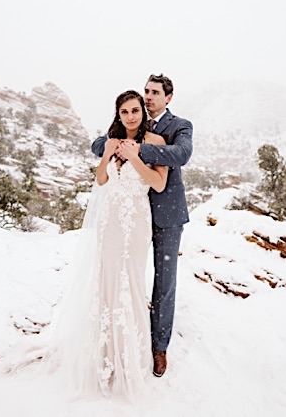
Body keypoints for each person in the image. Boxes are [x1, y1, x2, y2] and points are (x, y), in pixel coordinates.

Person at [30, 90, 168, 399]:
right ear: (118, 115)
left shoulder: (155, 142)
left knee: (129, 282)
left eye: (135, 110)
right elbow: (102, 180)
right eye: (124, 112)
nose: (130, 116)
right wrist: (108, 154)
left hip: (135, 220)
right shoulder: (112, 140)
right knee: (106, 282)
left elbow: (158, 183)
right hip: (109, 221)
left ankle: (130, 358)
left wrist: (134, 157)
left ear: (142, 112)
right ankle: (106, 356)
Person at [91, 73, 193, 378]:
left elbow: (181, 154)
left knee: (164, 282)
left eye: (155, 93)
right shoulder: (132, 123)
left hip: (166, 215)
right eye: (146, 91)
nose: (148, 97)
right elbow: (100, 144)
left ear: (168, 98)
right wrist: (114, 145)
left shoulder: (178, 126)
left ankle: (159, 347)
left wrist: (138, 151)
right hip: (125, 214)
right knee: (121, 277)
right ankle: (119, 335)